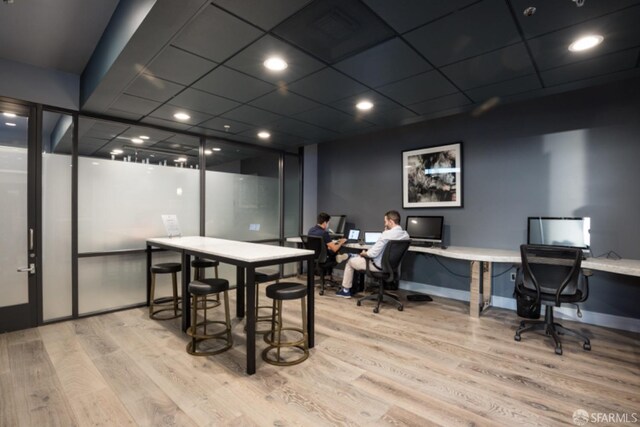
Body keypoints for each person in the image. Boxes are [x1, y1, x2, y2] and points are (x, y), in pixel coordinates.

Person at [336, 210, 409, 298]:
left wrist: (364, 254)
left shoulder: (386, 234)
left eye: (385, 222)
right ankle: (352, 255)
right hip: (392, 267)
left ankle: (345, 291)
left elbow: (372, 254)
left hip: (377, 266)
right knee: (361, 256)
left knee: (350, 262)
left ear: (391, 221)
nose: (384, 224)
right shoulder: (405, 235)